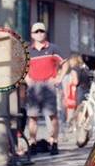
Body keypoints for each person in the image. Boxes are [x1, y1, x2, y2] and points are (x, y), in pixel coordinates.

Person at [25, 22, 66, 156]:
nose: (39, 34)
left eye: (41, 31)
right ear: (32, 35)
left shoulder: (53, 49)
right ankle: (32, 143)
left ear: (45, 33)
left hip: (48, 86)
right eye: (36, 32)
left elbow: (65, 64)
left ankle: (54, 142)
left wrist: (59, 78)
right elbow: (22, 68)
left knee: (52, 116)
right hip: (33, 87)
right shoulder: (28, 51)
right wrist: (27, 80)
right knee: (32, 117)